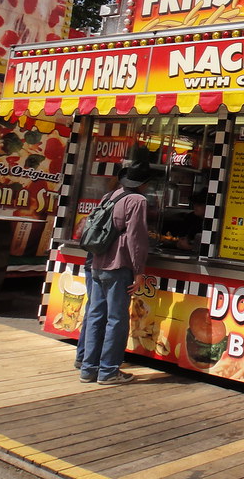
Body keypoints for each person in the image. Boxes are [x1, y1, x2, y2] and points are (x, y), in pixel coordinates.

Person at [79, 162, 153, 385]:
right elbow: (136, 238)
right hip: (118, 266)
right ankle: (109, 371)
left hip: (97, 263)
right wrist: (139, 271)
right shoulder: (137, 200)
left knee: (95, 315)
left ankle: (88, 368)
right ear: (143, 183)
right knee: (116, 319)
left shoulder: (110, 196)